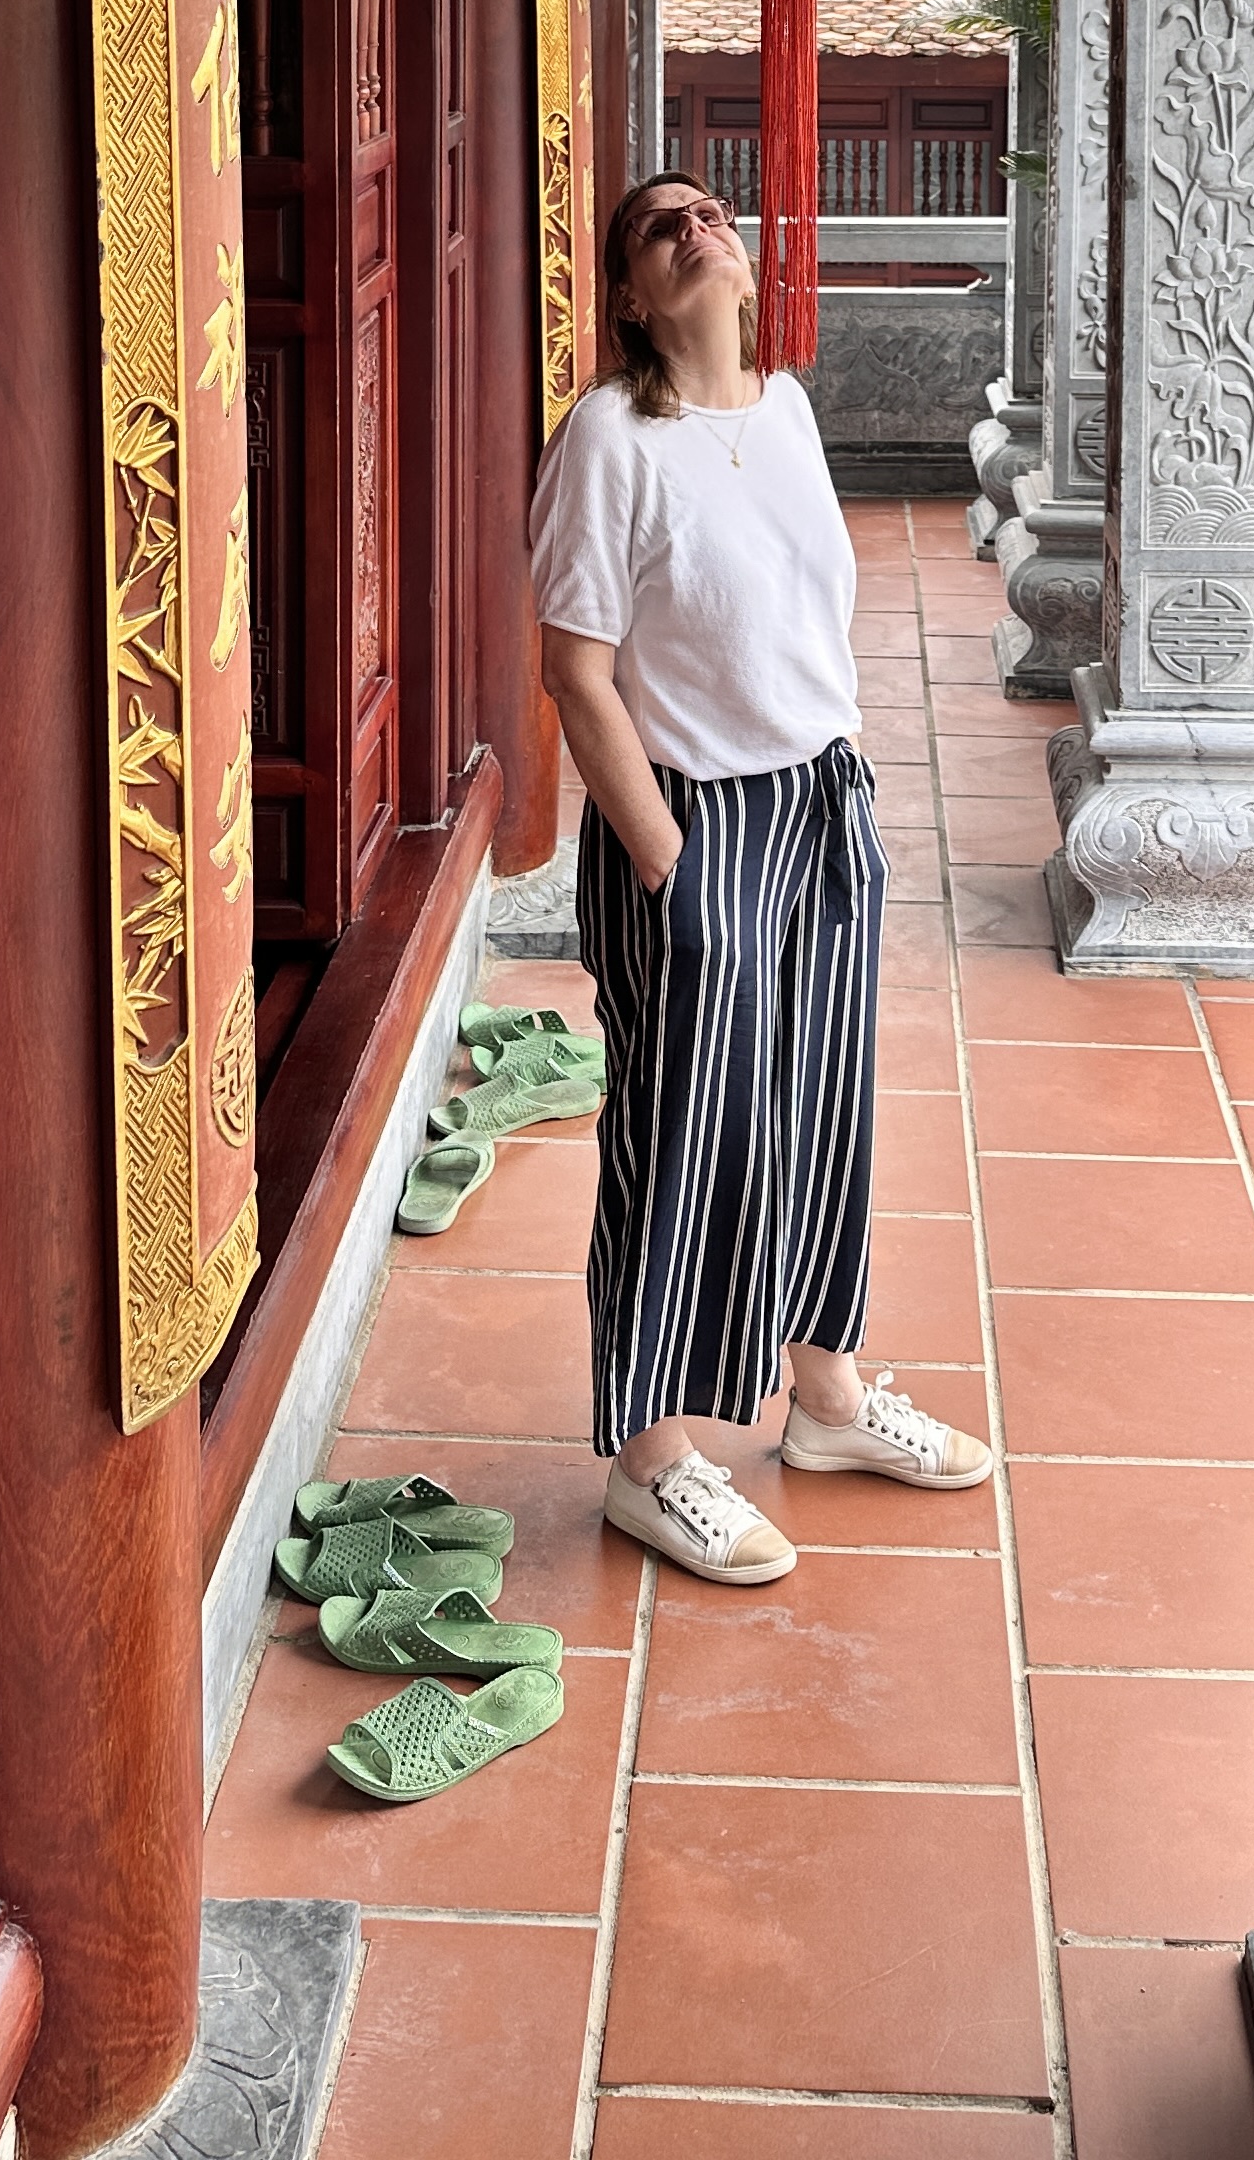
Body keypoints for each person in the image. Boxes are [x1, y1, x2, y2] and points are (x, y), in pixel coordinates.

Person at [530, 171, 990, 1584]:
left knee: (821, 1108)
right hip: (692, 823)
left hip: (818, 806)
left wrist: (844, 785)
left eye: (710, 211)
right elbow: (577, 671)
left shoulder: (786, 410)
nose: (697, 227)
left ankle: (829, 1396)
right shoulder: (609, 440)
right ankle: (652, 1455)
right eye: (660, 226)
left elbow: (793, 620)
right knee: (681, 1139)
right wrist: (665, 859)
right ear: (631, 296)